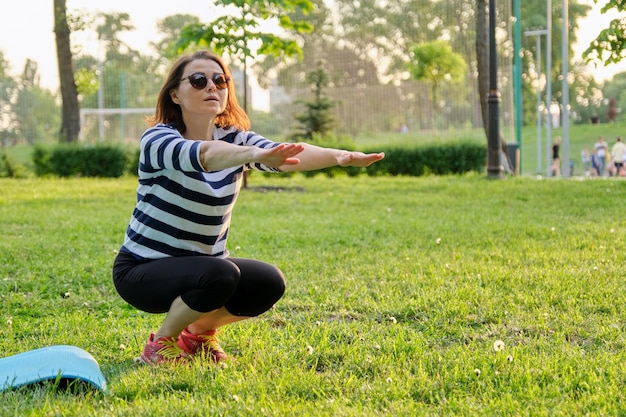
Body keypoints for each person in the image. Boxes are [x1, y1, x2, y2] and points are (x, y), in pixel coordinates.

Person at [111, 51, 384, 365]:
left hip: (203, 267)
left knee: (266, 282)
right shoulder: (159, 139)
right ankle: (160, 344)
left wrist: (339, 156)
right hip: (142, 270)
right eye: (199, 81)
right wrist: (251, 153)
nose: (212, 87)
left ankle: (197, 335)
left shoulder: (235, 139)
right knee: (221, 274)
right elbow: (207, 155)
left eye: (221, 80)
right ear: (175, 93)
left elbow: (286, 154)